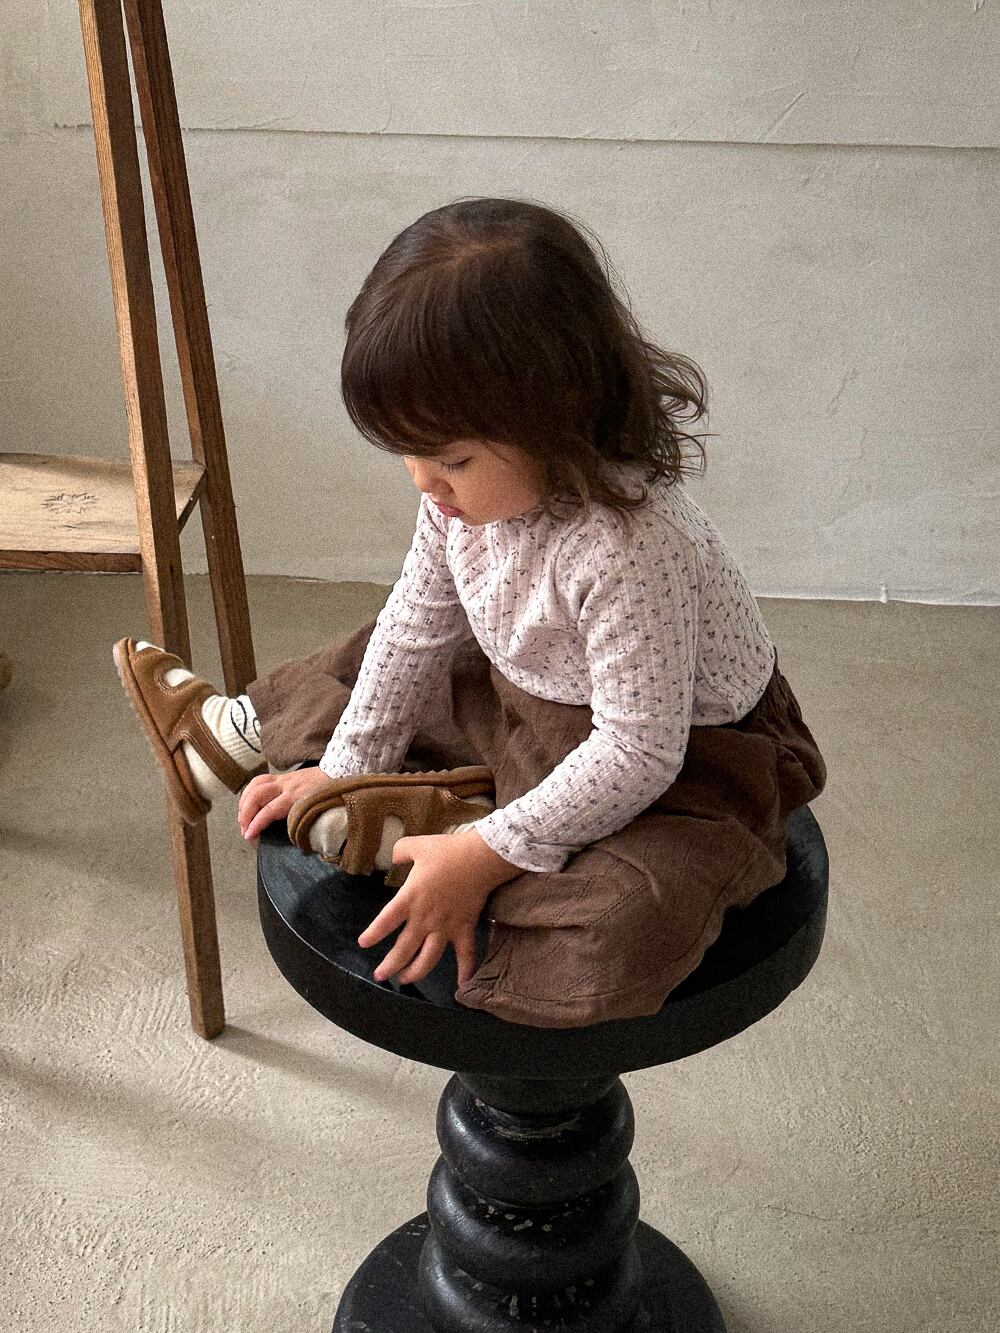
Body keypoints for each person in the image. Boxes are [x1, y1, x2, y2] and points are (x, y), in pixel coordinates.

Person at [114, 197, 826, 1029]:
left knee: (631, 914)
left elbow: (638, 752)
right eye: (408, 453)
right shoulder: (457, 500)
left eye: (450, 458)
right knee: (376, 653)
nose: (424, 481)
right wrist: (346, 766)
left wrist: (486, 856)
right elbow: (414, 625)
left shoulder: (631, 545)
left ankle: (462, 829)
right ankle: (256, 745)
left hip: (685, 757)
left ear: (556, 418)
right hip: (530, 701)